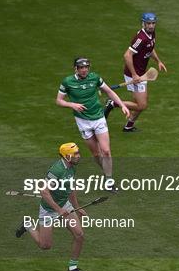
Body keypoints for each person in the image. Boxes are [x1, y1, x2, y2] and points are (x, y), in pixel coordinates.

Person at [56, 57, 130, 191]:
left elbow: (109, 91)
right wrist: (72, 104)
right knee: (96, 155)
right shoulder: (68, 82)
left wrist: (122, 105)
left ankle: (109, 180)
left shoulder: (95, 78)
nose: (84, 70)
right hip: (83, 122)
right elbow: (59, 101)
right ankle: (107, 172)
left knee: (106, 151)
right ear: (76, 69)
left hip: (98, 118)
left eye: (86, 67)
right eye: (81, 68)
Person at [15, 143, 88, 271]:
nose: (79, 156)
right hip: (49, 209)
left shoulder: (71, 167)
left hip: (65, 204)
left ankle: (72, 267)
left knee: (79, 235)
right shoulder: (57, 171)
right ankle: (28, 225)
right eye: (75, 154)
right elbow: (44, 192)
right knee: (45, 246)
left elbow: (70, 189)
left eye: (78, 153)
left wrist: (77, 207)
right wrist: (59, 210)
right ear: (66, 157)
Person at [105, 12, 167, 132]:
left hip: (142, 74)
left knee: (138, 103)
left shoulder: (151, 34)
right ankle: (113, 103)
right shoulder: (141, 38)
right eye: (148, 23)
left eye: (153, 23)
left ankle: (129, 126)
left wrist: (158, 61)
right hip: (135, 74)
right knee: (142, 105)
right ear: (143, 23)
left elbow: (150, 48)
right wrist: (134, 74)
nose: (151, 26)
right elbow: (127, 55)